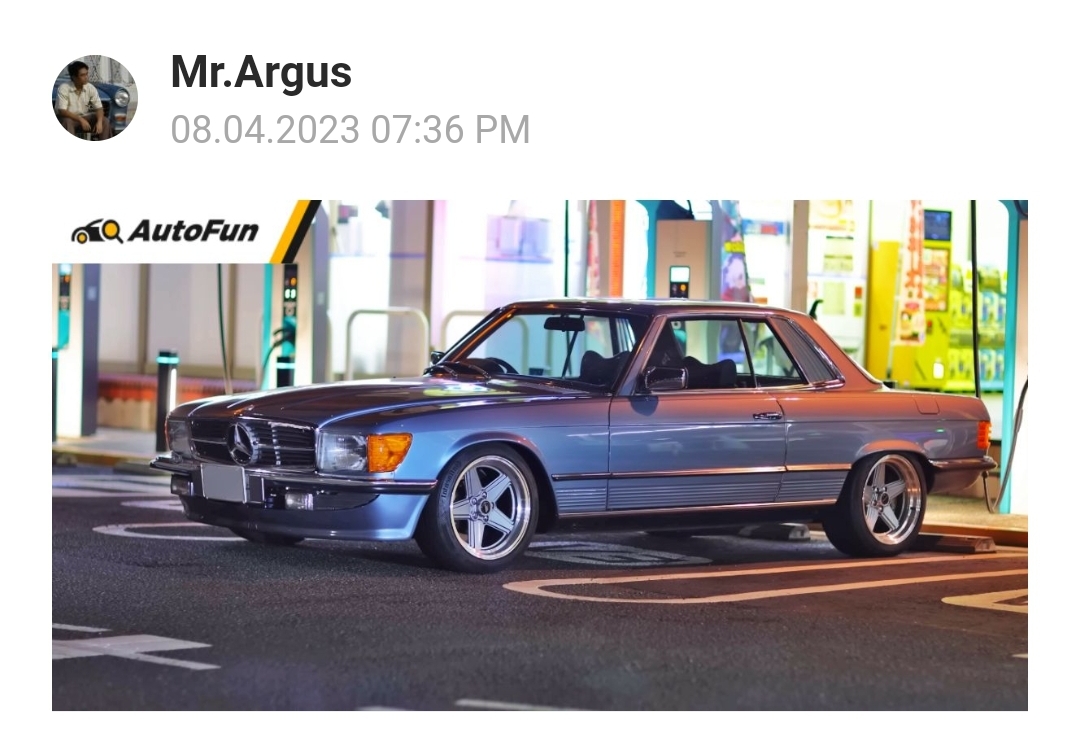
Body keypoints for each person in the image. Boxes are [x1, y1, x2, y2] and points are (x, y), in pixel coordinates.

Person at [56, 61, 111, 140]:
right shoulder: (64, 88)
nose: (86, 77)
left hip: (84, 117)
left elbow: (99, 108)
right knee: (67, 122)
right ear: (74, 77)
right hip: (69, 118)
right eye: (82, 75)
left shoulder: (90, 87)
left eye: (86, 74)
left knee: (104, 121)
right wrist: (80, 119)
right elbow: (62, 111)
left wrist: (99, 122)